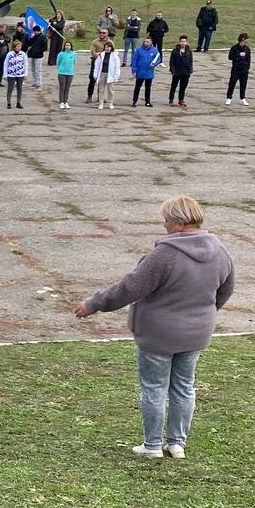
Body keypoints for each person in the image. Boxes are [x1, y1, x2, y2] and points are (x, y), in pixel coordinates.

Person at [75, 196, 235, 460]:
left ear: (180, 223)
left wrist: (94, 304)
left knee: (154, 388)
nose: (164, 225)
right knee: (184, 387)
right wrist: (203, 314)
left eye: (167, 220)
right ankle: (177, 444)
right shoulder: (220, 251)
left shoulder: (165, 255)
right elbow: (226, 290)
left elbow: (130, 288)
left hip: (159, 334)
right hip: (196, 333)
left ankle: (151, 445)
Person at [130, 37, 159, 108]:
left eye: (147, 42)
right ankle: (135, 101)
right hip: (140, 72)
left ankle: (147, 101)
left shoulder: (154, 50)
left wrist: (155, 64)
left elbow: (158, 59)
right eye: (145, 41)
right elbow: (134, 60)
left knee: (148, 88)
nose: (146, 43)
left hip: (149, 72)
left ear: (151, 42)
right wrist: (134, 70)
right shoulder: (139, 50)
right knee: (137, 87)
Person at [86, 28, 112, 103]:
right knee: (92, 79)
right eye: (100, 32)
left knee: (102, 80)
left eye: (104, 33)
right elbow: (93, 52)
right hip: (95, 61)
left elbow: (112, 52)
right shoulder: (95, 42)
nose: (101, 34)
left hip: (105, 63)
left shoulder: (110, 42)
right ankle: (89, 96)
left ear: (107, 34)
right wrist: (100, 55)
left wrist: (101, 54)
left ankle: (100, 97)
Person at [167, 35, 193, 108]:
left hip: (185, 72)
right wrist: (173, 71)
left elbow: (190, 61)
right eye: (181, 41)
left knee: (183, 87)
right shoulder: (175, 51)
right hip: (177, 71)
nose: (183, 43)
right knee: (173, 86)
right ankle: (171, 100)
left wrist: (190, 70)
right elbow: (171, 62)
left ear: (186, 42)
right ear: (179, 42)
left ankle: (181, 100)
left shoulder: (189, 51)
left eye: (184, 41)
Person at [92, 40, 119, 110]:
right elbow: (97, 66)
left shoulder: (115, 56)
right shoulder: (101, 55)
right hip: (102, 74)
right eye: (106, 47)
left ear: (111, 48)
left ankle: (110, 103)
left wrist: (116, 76)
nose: (107, 48)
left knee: (110, 90)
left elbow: (117, 67)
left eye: (108, 47)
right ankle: (101, 103)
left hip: (111, 75)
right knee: (101, 90)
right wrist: (95, 75)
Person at [226, 34, 251, 106]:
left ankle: (242, 98)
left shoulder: (247, 48)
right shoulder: (234, 48)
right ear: (243, 39)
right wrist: (238, 55)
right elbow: (230, 57)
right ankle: (229, 98)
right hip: (236, 69)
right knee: (232, 84)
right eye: (247, 38)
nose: (248, 40)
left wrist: (247, 68)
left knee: (243, 84)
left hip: (244, 69)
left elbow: (249, 59)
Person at [4, 39, 27, 110]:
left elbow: (26, 64)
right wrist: (5, 74)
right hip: (11, 74)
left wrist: (25, 73)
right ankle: (9, 103)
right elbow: (5, 64)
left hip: (20, 74)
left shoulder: (23, 54)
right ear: (14, 47)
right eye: (17, 46)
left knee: (19, 89)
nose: (19, 48)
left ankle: (18, 103)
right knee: (10, 89)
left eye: (20, 46)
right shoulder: (9, 54)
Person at [25, 24, 47, 91]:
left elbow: (45, 48)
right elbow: (29, 43)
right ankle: (35, 83)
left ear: (39, 31)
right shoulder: (34, 36)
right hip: (33, 55)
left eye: (36, 31)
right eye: (34, 31)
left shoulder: (43, 37)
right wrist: (31, 38)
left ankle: (39, 85)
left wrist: (38, 51)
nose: (34, 32)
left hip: (39, 56)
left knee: (38, 71)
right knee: (33, 70)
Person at [56, 41, 76, 110]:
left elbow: (74, 63)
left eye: (69, 45)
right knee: (62, 88)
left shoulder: (73, 54)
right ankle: (61, 102)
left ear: (71, 46)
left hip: (70, 73)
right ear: (64, 46)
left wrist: (71, 70)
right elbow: (58, 63)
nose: (67, 46)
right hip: (62, 73)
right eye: (66, 45)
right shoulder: (61, 54)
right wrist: (60, 69)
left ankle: (65, 101)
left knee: (67, 88)